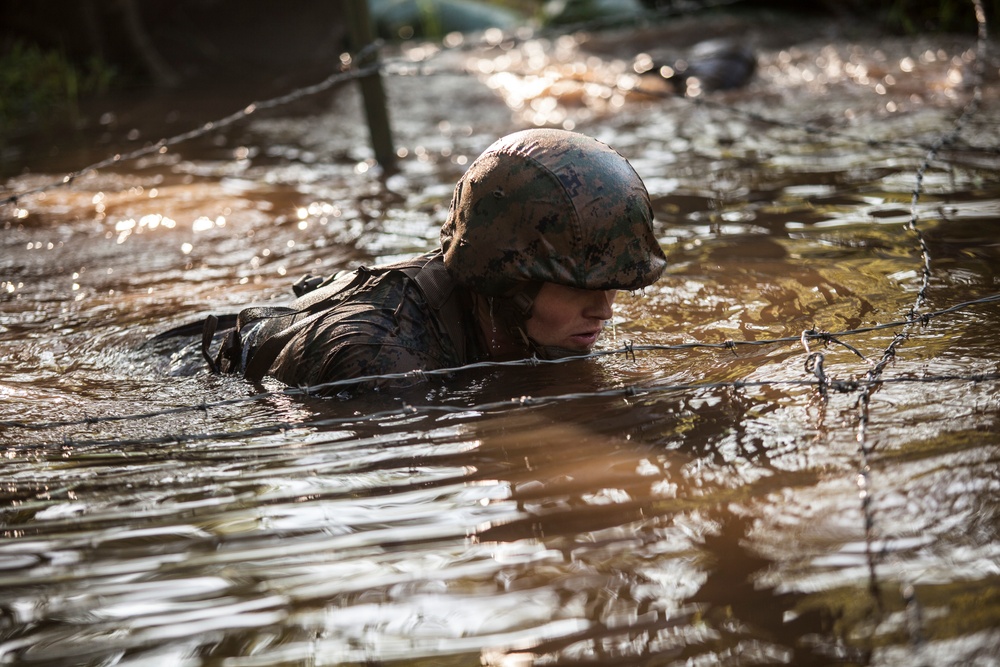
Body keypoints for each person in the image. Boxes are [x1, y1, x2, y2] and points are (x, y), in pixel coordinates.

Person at [206, 128, 667, 391]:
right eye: (581, 287)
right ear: (509, 281)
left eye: (610, 286)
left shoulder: (520, 318)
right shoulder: (381, 362)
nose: (604, 309)